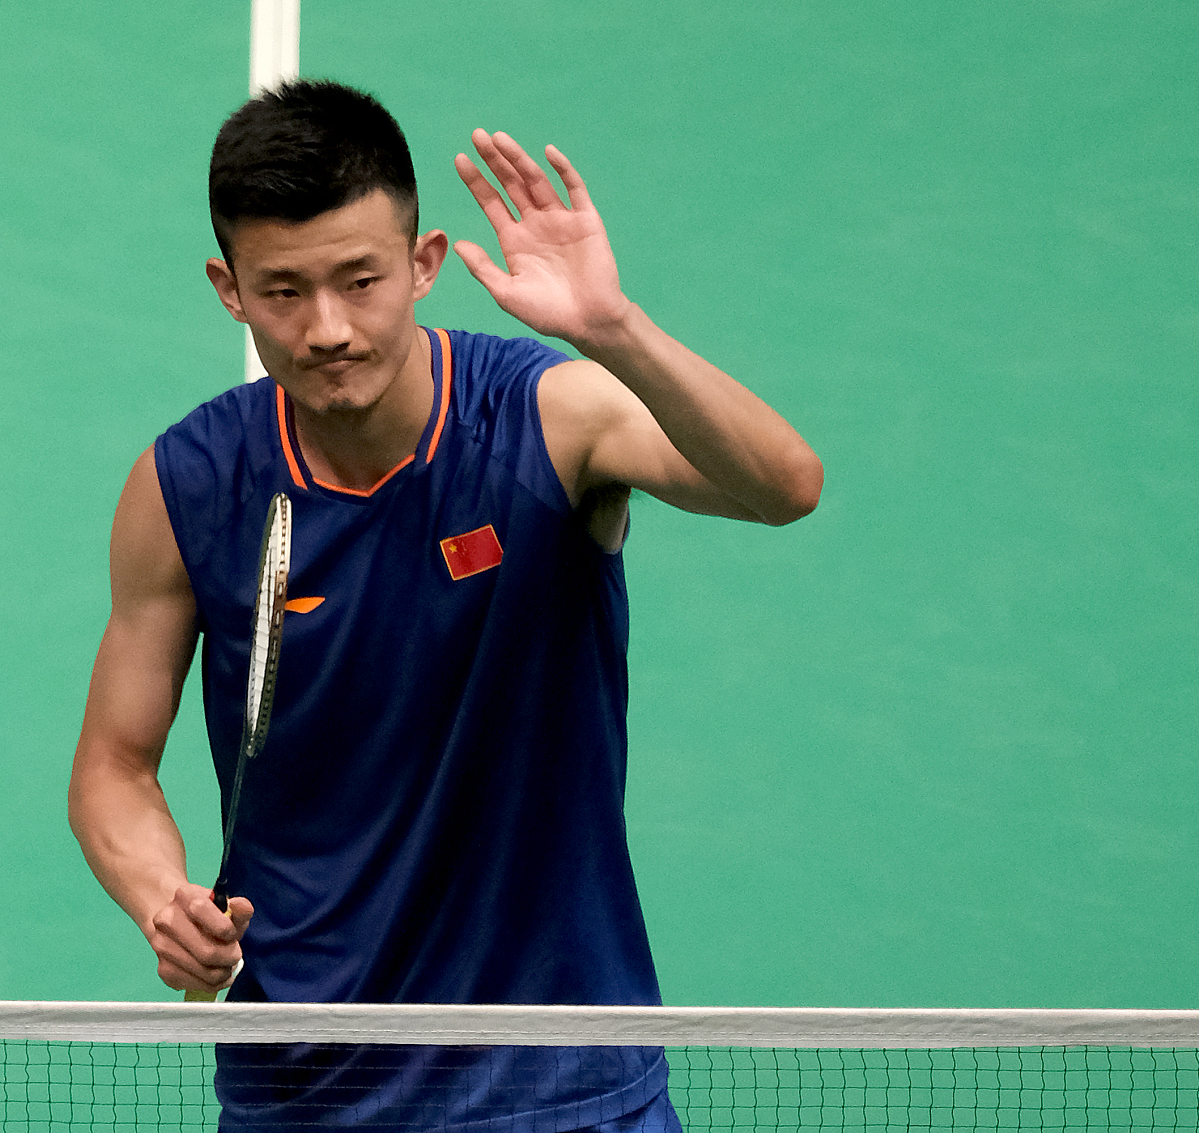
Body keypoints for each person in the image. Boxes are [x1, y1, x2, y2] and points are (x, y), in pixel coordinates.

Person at [69, 79, 822, 1132]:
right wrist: (161, 893)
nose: (328, 328)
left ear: (423, 263)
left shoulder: (544, 420)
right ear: (227, 289)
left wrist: (614, 330)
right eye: (282, 291)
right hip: (306, 1086)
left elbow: (782, 487)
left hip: (556, 1078)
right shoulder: (187, 486)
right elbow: (113, 764)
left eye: (361, 280)